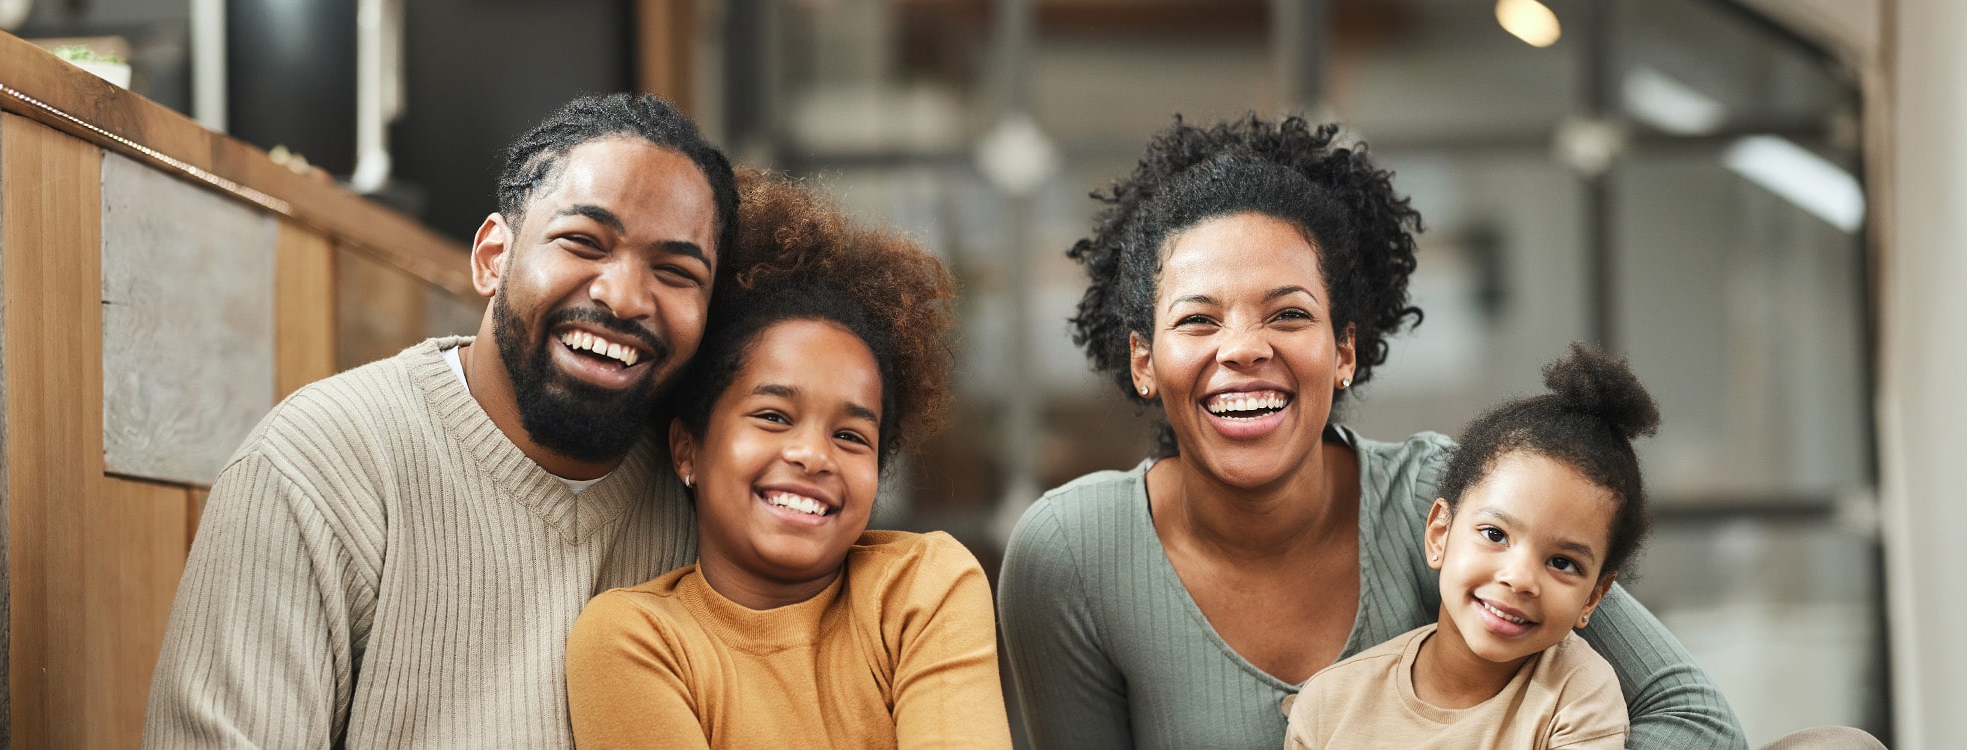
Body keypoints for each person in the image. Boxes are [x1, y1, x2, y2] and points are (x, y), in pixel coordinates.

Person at [996, 114, 1745, 749]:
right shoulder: (1072, 556)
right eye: (1197, 319)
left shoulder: (1455, 500)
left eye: (1288, 314)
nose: (1244, 348)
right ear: (1144, 361)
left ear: (1345, 349)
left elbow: (1698, 724)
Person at [143, 93, 750, 747]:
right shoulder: (315, 468)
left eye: (676, 272)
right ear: (493, 257)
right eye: (582, 241)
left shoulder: (707, 500)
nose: (625, 297)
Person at [564, 171, 1009, 749]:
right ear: (687, 449)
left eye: (852, 436)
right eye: (773, 416)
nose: (813, 456)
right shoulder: (635, 638)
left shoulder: (924, 587)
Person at [1284, 343, 1655, 748]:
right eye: (1495, 535)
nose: (1519, 579)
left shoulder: (1578, 696)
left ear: (1593, 598)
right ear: (1439, 534)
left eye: (1562, 563)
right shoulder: (1328, 704)